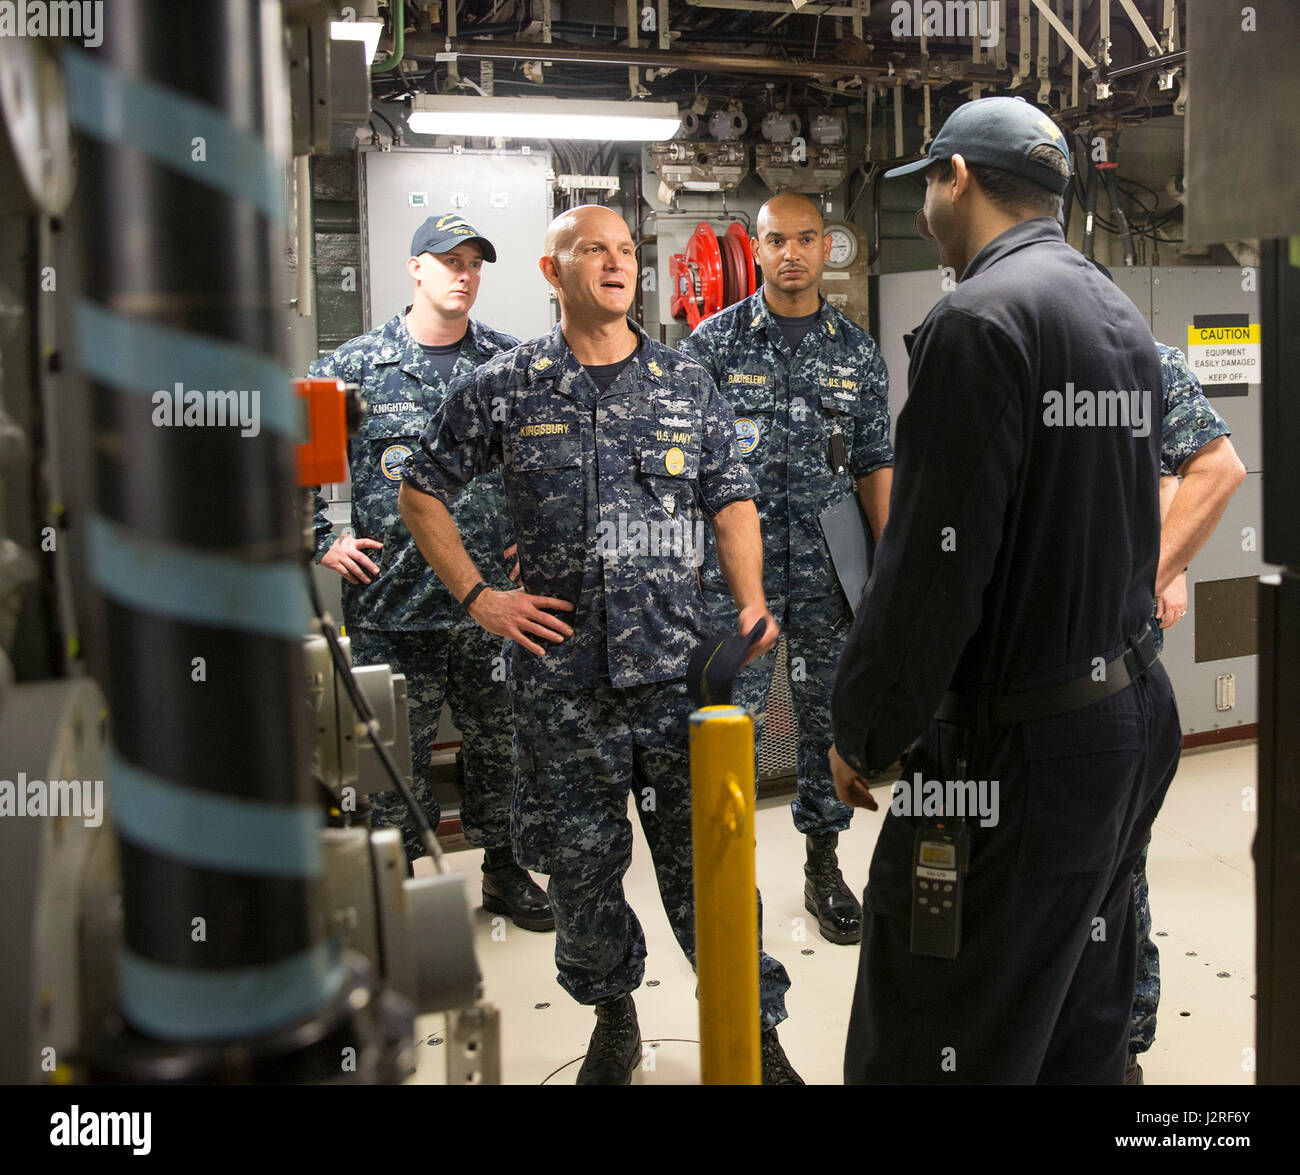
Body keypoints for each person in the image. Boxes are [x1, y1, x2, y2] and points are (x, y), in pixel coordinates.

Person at [398, 204, 803, 1084]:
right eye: (594, 251)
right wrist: (480, 598)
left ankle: (755, 1031)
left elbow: (731, 499)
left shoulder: (686, 381)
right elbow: (420, 489)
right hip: (563, 689)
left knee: (714, 869)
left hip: (680, 679)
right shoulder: (506, 385)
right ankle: (613, 1017)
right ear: (554, 273)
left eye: (626, 251)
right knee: (582, 877)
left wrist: (751, 601)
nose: (617, 264)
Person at [829, 96, 1182, 1083]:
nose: (927, 210)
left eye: (927, 188)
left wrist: (864, 726)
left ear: (957, 179)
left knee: (935, 1031)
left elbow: (932, 571)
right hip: (1124, 714)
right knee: (1077, 1014)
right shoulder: (1114, 313)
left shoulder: (977, 322)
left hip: (1018, 747)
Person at [310, 213, 552, 931]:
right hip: (394, 605)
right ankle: (399, 889)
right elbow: (286, 466)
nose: (464, 274)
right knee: (391, 761)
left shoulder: (512, 363)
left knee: (501, 745)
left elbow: (544, 465)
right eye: (449, 261)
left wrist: (535, 541)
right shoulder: (350, 368)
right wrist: (323, 537)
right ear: (415, 268)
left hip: (494, 606)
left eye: (475, 262)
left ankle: (504, 873)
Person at [679, 193, 893, 946]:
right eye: (779, 240)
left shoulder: (856, 351)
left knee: (825, 722)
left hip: (830, 571)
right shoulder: (711, 345)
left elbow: (873, 462)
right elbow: (689, 470)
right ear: (758, 249)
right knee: (725, 719)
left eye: (808, 239)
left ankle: (822, 865)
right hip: (735, 577)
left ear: (825, 248)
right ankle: (725, 871)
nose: (794, 253)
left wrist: (886, 561)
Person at [1126, 337, 1246, 1083]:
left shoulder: (1144, 360)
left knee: (1117, 862)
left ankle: (1125, 1045)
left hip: (1111, 662)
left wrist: (1156, 573)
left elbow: (1200, 472)